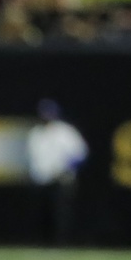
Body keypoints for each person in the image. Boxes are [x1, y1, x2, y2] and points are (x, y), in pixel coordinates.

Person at [26, 99, 87, 246]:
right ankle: (41, 244)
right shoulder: (35, 134)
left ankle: (62, 244)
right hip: (41, 181)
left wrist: (64, 169)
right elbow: (33, 159)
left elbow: (81, 154)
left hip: (61, 180)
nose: (46, 117)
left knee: (62, 215)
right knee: (41, 216)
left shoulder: (65, 132)